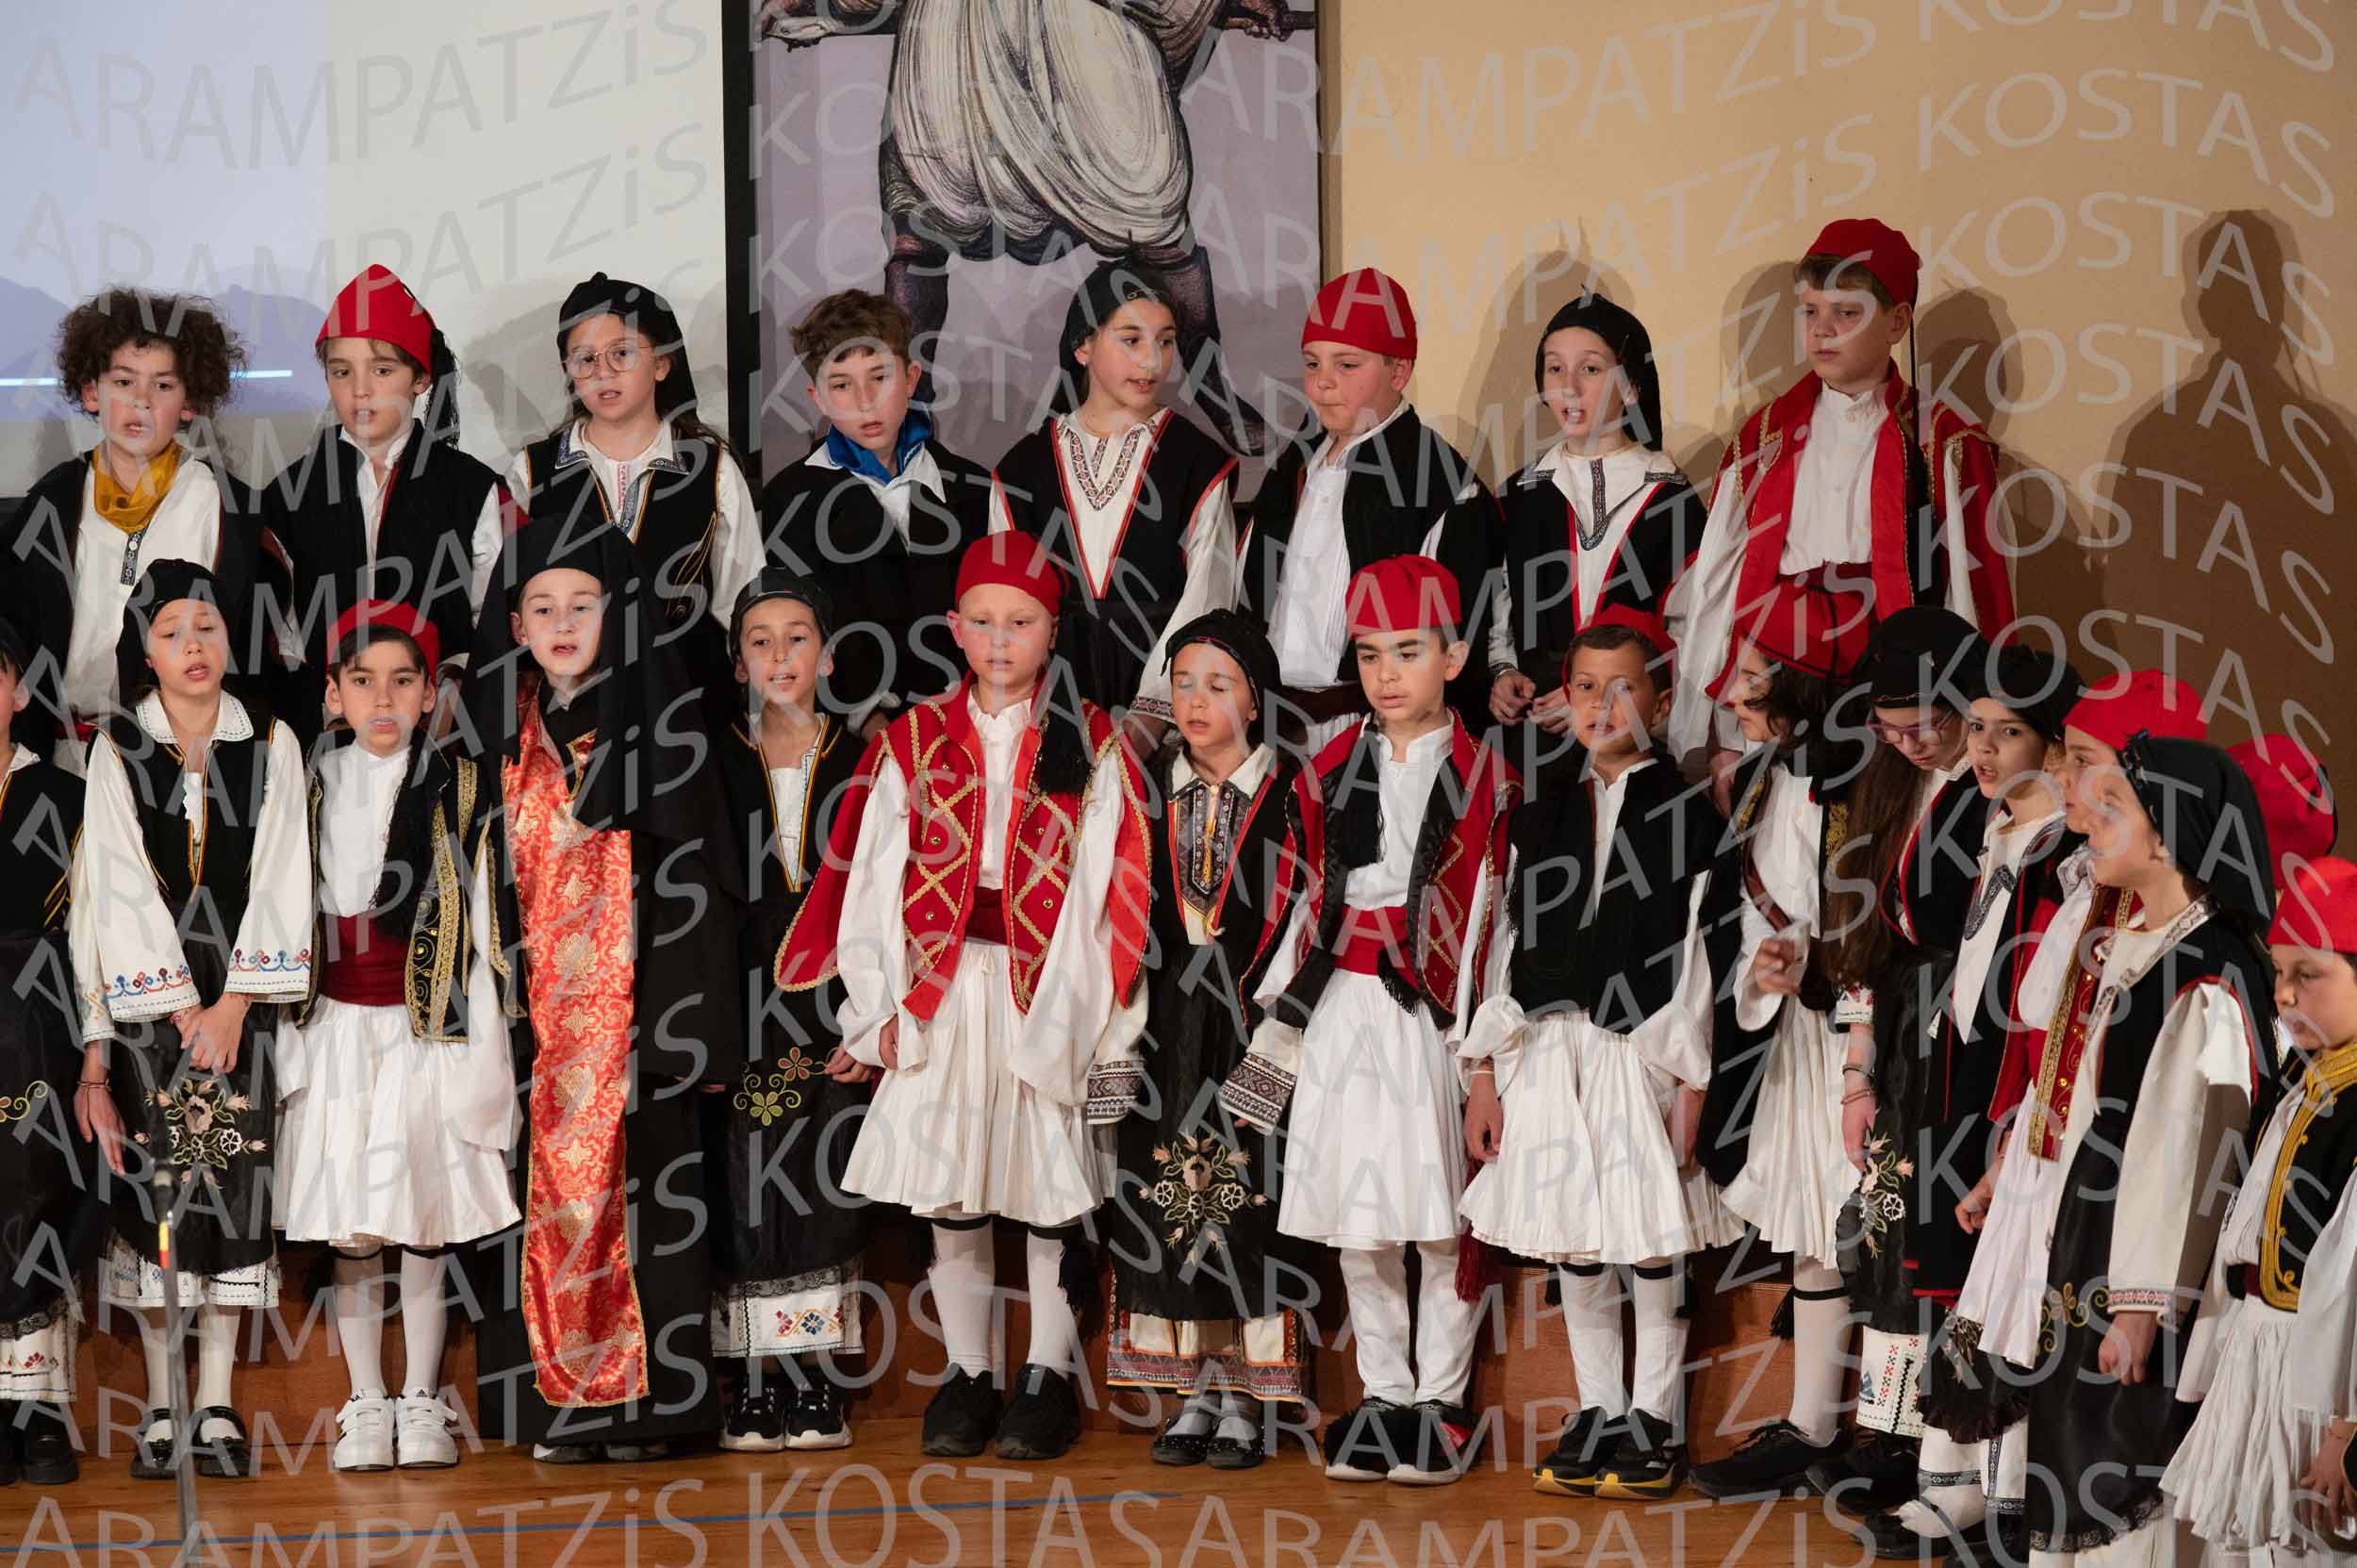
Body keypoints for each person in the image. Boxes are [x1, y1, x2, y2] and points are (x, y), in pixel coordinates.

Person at [775, 533, 1151, 1464]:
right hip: (939, 993)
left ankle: (1048, 1377)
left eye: (1019, 623)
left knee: (1047, 1193)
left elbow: (1109, 894)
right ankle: (970, 1372)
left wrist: (1089, 1022)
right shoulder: (912, 739)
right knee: (953, 1192)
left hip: (1045, 994)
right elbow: (872, 881)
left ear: (1051, 630)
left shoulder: (1092, 741)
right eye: (981, 622)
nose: (999, 640)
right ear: (953, 627)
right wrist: (878, 1010)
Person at [1221, 554, 1521, 1487]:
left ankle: (1441, 1399)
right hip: (1342, 1010)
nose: (1387, 674)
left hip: (1432, 1015)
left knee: (1437, 1218)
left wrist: (1482, 1055)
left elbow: (1495, 922)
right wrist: (1283, 1018)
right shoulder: (1325, 768)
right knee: (1360, 1216)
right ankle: (1386, 1393)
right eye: (1369, 654)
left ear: (1454, 657)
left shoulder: (1488, 778)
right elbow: (1300, 899)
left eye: (1408, 651)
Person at [460, 518, 742, 1463]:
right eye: (542, 608)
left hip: (638, 1023)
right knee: (539, 1212)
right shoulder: (503, 736)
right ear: (516, 624)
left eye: (582, 604)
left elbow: (699, 891)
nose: (563, 624)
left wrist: (676, 1031)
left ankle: (652, 1415)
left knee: (652, 1214)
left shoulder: (664, 728)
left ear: (618, 613)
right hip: (536, 1028)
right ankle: (560, 1414)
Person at [1459, 605, 1735, 1499]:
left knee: (1649, 1239)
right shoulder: (1540, 812)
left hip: (1639, 1051)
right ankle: (1598, 1408)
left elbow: (1702, 953)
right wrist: (1485, 1071)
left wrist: (1691, 1081)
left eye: (1623, 688)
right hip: (1548, 1047)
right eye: (1585, 687)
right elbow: (1500, 945)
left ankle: (1655, 1416)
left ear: (1660, 699)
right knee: (1576, 1238)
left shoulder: (1691, 815)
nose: (1602, 706)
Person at [1936, 668, 2209, 1552]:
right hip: (2046, 1158)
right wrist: (2008, 1154)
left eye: (2085, 759)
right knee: (2022, 1348)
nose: (2064, 774)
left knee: (2080, 1393)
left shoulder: (2171, 926)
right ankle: (2009, 1522)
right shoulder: (2092, 884)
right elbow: (2047, 1025)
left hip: (2107, 1199)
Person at [68, 561, 313, 1480]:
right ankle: (165, 1402)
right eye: (172, 632)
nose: (193, 646)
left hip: (241, 996)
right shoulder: (118, 746)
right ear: (146, 650)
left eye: (206, 627)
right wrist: (182, 1009)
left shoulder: (271, 739)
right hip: (155, 1005)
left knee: (229, 1196)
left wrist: (235, 1004)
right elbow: (114, 884)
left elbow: (286, 866)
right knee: (163, 1204)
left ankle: (215, 1403)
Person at [1848, 643, 2085, 1559]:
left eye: (2006, 733)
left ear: (2053, 744)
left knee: (2005, 1289)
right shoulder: (1994, 828)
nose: (1982, 748)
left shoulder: (2063, 849)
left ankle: (2004, 1495)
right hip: (1956, 1076)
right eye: (1976, 728)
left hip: (2006, 1092)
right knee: (1951, 1285)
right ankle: (1946, 1481)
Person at [2019, 731, 2277, 1564]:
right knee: (2073, 1425)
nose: (2089, 820)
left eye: (2113, 807)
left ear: (2168, 835)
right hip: (2098, 1223)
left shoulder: (2206, 970)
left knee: (2123, 1443)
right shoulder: (2149, 944)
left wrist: (2142, 1303)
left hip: (2145, 1257)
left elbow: (2193, 1153)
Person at [273, 601, 515, 1473]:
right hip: (336, 1029)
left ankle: (420, 1396)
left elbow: (488, 918)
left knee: (421, 1218)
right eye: (364, 680)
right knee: (355, 1226)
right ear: (333, 693)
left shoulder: (462, 785)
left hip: (427, 1033)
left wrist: (492, 1036)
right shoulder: (302, 783)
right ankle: (365, 1398)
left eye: (403, 681)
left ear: (428, 694)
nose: (383, 699)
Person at [1671, 218, 2017, 781]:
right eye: (1810, 311)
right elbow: (1720, 578)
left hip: (1886, 684)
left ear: (1897, 322)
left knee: (1875, 810)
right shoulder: (1765, 437)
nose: (1823, 330)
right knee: (1783, 819)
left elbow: (1974, 595)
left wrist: (1970, 718)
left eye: (1847, 313)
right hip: (1779, 681)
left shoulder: (1940, 443)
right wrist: (1719, 725)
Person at [1098, 610, 1311, 1471]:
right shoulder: (1144, 789)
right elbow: (1113, 911)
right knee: (1166, 1201)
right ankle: (1194, 1389)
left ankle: (1246, 1398)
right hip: (1164, 1020)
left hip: (1247, 1018)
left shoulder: (1292, 792)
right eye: (1182, 682)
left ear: (1254, 701)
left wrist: (1281, 1037)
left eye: (1218, 685)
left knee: (1245, 1203)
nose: (1194, 700)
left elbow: (1310, 915)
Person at [1685, 579, 1875, 1500]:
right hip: (1796, 1032)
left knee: (1866, 1230)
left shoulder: (1863, 783)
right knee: (1812, 1225)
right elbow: (1755, 901)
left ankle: (1896, 1437)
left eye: (1754, 677)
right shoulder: (1766, 775)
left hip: (1855, 1039)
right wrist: (1765, 969)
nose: (1731, 694)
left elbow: (1879, 916)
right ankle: (1811, 1426)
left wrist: (1822, 967)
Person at [1812, 605, 1986, 1508]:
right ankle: (1886, 1427)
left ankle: (1941, 1439)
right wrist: (1857, 1070)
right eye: (1892, 727)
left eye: (1927, 723)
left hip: (1963, 1029)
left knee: (1934, 1239)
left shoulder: (1987, 791)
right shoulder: (1890, 787)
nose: (1913, 742)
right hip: (1902, 1024)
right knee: (1885, 1237)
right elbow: (1868, 945)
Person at [705, 571, 877, 1453]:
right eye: (760, 640)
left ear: (829, 655)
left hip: (833, 995)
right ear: (738, 661)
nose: (780, 655)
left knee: (820, 1181)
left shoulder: (867, 759)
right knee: (743, 1184)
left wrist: (871, 1016)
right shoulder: (712, 758)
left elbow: (889, 894)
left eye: (798, 637)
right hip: (739, 995)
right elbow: (691, 897)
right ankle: (753, 1382)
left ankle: (815, 1380)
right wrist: (702, 1027)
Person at [2159, 852, 2357, 1566]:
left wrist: (2346, 1432)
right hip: (2260, 1355)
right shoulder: (2305, 1079)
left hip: (2320, 1384)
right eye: (2278, 971)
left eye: (2311, 974)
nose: (2285, 992)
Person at [1240, 271, 1500, 750]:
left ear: (1398, 372)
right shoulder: (1293, 467)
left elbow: (1456, 632)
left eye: (1346, 365)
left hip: (1374, 730)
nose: (1322, 383)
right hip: (1269, 727)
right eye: (1312, 363)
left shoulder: (1438, 482)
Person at [991, 261, 1240, 752]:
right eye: (1131, 339)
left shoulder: (1197, 462)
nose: (1152, 361)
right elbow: (1003, 601)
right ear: (1083, 346)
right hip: (1049, 710)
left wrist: (1152, 717)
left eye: (1165, 342)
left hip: (1167, 713)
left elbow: (1209, 597)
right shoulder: (1021, 469)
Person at [256, 267, 508, 748]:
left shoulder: (472, 489)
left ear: (421, 377)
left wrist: (450, 693)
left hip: (443, 730)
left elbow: (493, 617)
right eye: (341, 371)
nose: (360, 389)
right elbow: (279, 632)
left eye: (383, 370)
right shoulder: (289, 494)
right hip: (325, 730)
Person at [5, 291, 257, 769]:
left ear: (189, 402)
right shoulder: (52, 503)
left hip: (184, 757)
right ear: (91, 393)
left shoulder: (228, 508)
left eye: (163, 385)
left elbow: (252, 648)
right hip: (66, 756)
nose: (141, 401)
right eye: (123, 381)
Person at [486, 273, 762, 705]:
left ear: (662, 363)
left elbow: (740, 602)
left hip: (688, 701)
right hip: (571, 706)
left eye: (622, 353)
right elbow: (504, 600)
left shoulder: (712, 470)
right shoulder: (531, 472)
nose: (603, 372)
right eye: (585, 359)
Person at [1489, 296, 1706, 780]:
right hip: (1532, 743)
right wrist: (1504, 674)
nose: (1569, 387)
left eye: (1590, 369)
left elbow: (1692, 633)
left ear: (1631, 386)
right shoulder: (1519, 495)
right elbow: (1498, 607)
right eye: (1554, 369)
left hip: (1632, 739)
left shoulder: (1669, 496)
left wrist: (1592, 699)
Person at [759, 289, 994, 735]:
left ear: (911, 377)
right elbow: (798, 634)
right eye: (841, 385)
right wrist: (873, 728)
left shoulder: (974, 488)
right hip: (851, 736)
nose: (865, 400)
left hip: (971, 726)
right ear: (817, 397)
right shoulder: (789, 501)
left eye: (880, 377)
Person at [0, 614, 96, 1487]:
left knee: (38, 1200)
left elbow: (95, 928)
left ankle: (36, 1411)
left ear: (19, 690)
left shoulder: (64, 795)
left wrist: (94, 1055)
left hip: (41, 1023)